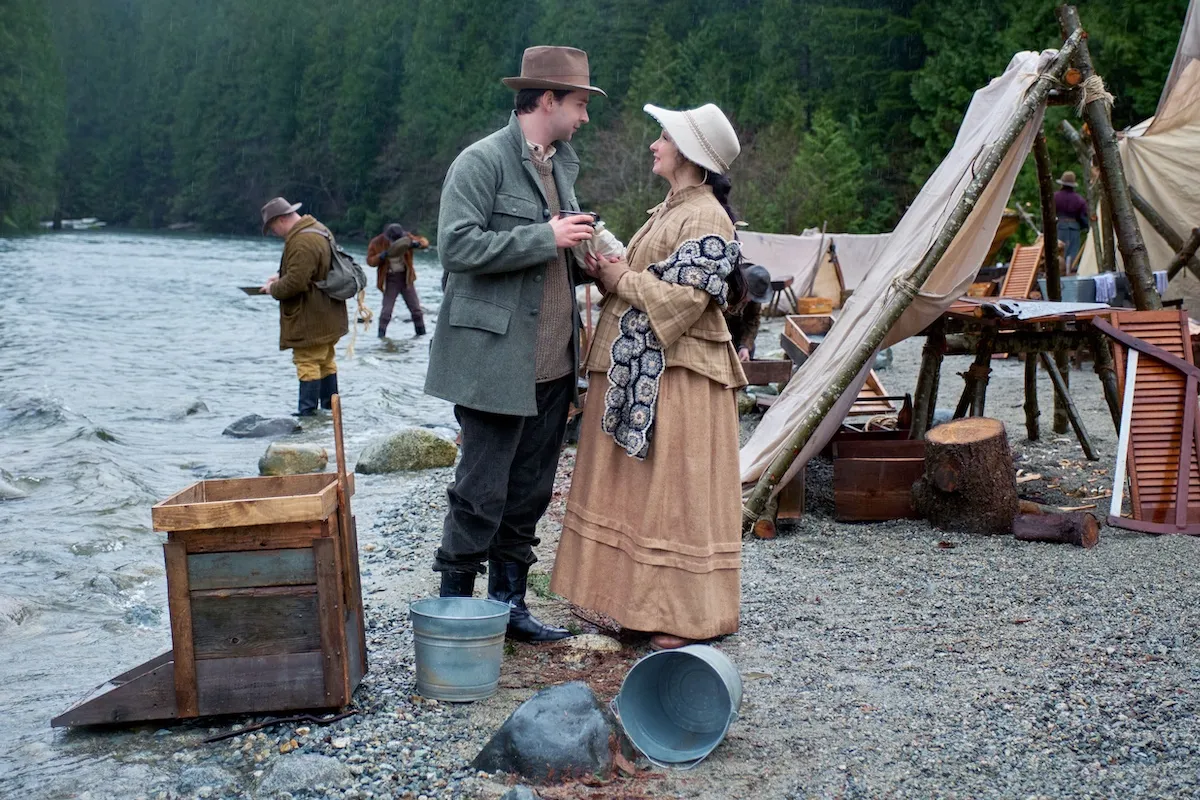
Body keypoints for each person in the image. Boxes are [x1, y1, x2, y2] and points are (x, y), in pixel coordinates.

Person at [549, 103, 748, 651]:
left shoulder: (705, 214)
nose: (654, 145)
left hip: (684, 377)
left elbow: (685, 302)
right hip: (655, 372)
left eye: (663, 137)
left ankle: (683, 617)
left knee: (674, 498)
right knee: (648, 494)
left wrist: (617, 278)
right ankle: (640, 606)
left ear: (688, 152)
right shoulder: (671, 208)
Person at [424, 46, 603, 643]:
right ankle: (453, 612)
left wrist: (588, 256)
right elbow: (456, 248)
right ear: (547, 99)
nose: (584, 117)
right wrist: (544, 236)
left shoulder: (563, 167)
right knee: (478, 492)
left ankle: (510, 607)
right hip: (493, 363)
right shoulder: (479, 162)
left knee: (529, 492)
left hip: (554, 362)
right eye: (578, 103)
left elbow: (554, 259)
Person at [259, 197, 348, 416]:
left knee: (306, 362)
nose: (274, 232)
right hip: (328, 313)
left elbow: (296, 283)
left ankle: (307, 416)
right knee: (326, 361)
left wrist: (274, 288)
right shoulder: (318, 229)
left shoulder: (301, 240)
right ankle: (330, 412)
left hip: (310, 317)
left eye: (272, 228)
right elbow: (313, 269)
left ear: (280, 220)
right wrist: (280, 276)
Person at [367, 223, 429, 338]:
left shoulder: (407, 238)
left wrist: (416, 244)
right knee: (386, 312)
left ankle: (421, 336)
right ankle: (381, 337)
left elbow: (424, 242)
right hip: (390, 279)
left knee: (416, 311)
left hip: (406, 278)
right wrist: (381, 256)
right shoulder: (378, 242)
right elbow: (370, 261)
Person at [724, 263, 772, 361]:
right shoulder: (725, 287)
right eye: (748, 295)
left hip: (737, 329)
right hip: (718, 328)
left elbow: (753, 321)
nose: (749, 300)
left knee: (748, 349)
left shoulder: (755, 294)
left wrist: (744, 346)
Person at [1054, 170, 1090, 272]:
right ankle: (1071, 271)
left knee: (1059, 251)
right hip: (1074, 227)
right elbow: (1083, 216)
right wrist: (1086, 227)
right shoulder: (1079, 199)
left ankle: (1060, 272)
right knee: (1073, 252)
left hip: (1060, 226)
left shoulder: (1055, 197)